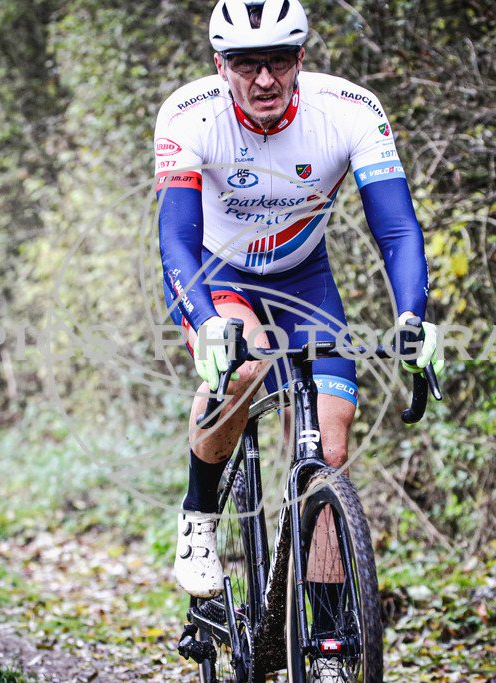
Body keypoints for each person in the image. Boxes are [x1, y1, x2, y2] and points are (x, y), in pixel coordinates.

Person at [154, 1, 437, 676]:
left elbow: (396, 229)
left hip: (305, 281)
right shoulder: (189, 114)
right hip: (217, 274)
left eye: (278, 59)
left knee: (329, 449)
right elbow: (175, 237)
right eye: (246, 63)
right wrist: (206, 323)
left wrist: (413, 316)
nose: (263, 79)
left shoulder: (349, 111)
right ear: (220, 65)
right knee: (244, 371)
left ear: (301, 59)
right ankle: (198, 518)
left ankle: (333, 644)